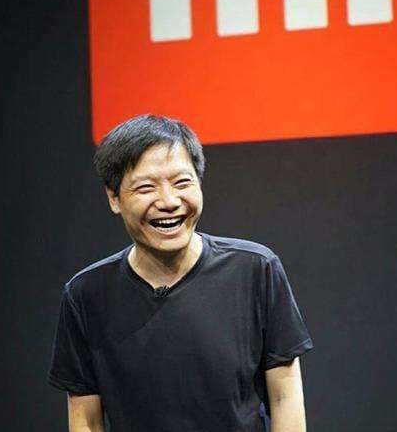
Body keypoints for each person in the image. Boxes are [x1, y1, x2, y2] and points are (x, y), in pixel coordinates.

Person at [48, 114, 313, 431]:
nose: (169, 201)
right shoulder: (86, 295)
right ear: (114, 198)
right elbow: (85, 419)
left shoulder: (256, 270)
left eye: (182, 182)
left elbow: (285, 396)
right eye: (146, 187)